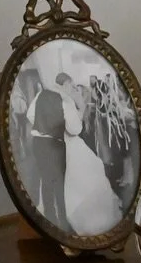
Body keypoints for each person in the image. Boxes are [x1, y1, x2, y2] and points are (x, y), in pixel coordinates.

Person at [56, 72, 123, 237]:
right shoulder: (66, 102)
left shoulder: (57, 100)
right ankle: (91, 219)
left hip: (68, 144)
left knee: (87, 172)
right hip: (72, 144)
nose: (72, 88)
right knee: (88, 174)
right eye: (70, 85)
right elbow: (76, 128)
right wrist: (83, 108)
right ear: (65, 85)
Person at [14, 69, 67, 231]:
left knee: (46, 178)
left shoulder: (39, 96)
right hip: (55, 142)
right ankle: (62, 218)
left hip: (38, 141)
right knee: (58, 181)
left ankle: (49, 216)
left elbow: (30, 115)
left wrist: (40, 126)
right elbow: (71, 125)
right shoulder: (63, 98)